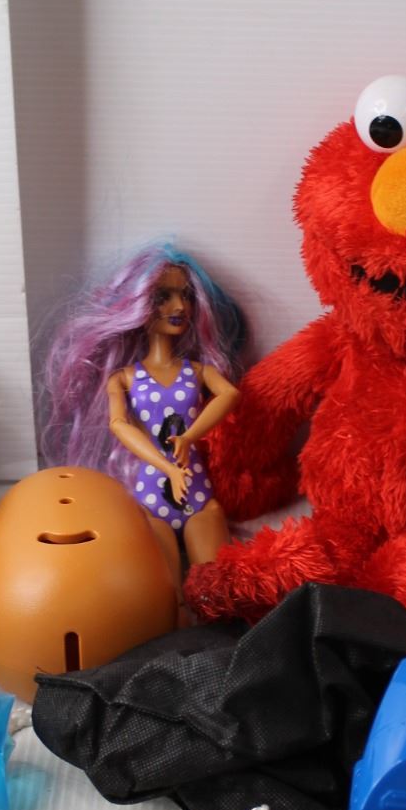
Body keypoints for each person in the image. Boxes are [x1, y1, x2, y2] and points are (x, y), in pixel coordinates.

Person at [41, 245, 243, 590]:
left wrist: (189, 437)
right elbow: (118, 425)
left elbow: (230, 394)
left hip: (198, 498)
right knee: (163, 596)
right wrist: (168, 468)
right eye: (164, 297)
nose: (179, 307)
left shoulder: (198, 371)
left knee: (216, 591)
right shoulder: (123, 378)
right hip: (150, 502)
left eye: (185, 296)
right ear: (137, 303)